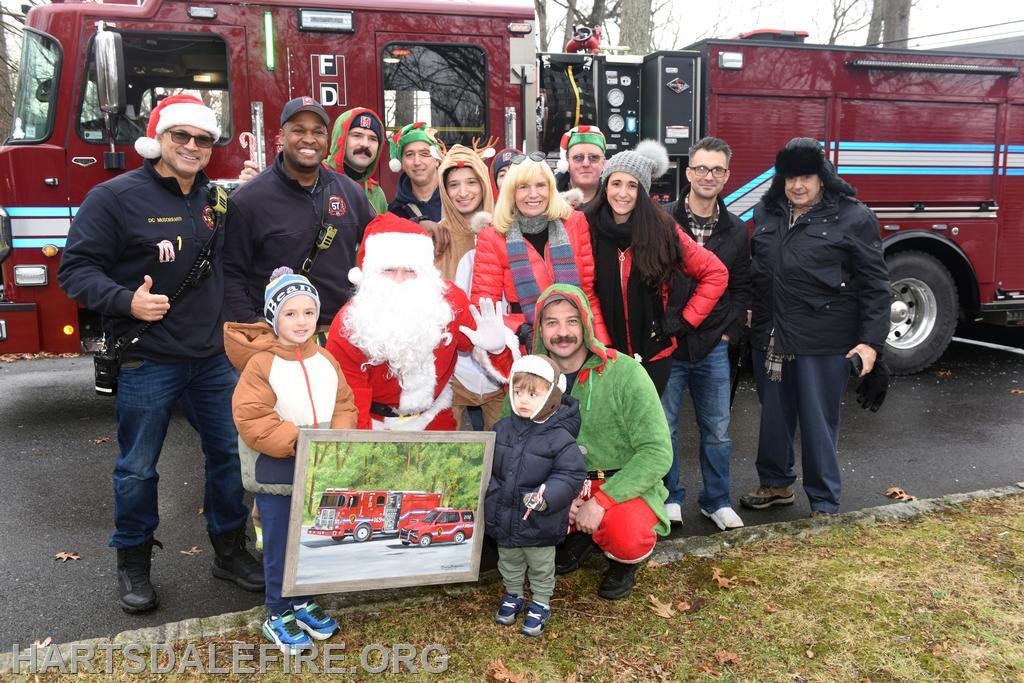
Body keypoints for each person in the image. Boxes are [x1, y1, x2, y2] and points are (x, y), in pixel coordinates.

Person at [57, 94, 263, 613]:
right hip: (148, 359)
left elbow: (230, 271)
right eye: (181, 136)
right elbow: (74, 271)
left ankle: (228, 550)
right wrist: (127, 300)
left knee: (227, 459)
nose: (192, 146)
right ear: (158, 140)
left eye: (202, 139)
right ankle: (133, 563)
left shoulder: (217, 201)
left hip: (212, 359)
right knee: (137, 469)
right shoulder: (113, 198)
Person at [740, 137, 889, 517]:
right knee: (773, 416)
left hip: (823, 341)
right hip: (771, 336)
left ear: (822, 176)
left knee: (818, 422)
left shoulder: (853, 217)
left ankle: (824, 500)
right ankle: (776, 484)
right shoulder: (766, 212)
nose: (797, 185)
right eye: (789, 177)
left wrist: (871, 343)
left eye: (805, 176)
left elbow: (875, 286)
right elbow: (756, 271)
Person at [225, 268, 358, 654]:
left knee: (309, 538)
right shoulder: (262, 365)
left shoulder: (327, 360)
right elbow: (252, 417)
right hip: (277, 470)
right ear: (273, 318)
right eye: (290, 313)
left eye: (308, 312)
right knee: (280, 542)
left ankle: (302, 600)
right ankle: (277, 610)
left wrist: (335, 438)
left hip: (319, 469)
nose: (301, 321)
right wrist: (302, 443)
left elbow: (344, 403)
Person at [527, 284, 672, 601]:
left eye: (572, 321)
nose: (562, 332)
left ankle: (620, 561)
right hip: (560, 483)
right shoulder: (529, 377)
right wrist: (552, 496)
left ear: (586, 324)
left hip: (618, 483)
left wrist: (601, 502)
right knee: (513, 512)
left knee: (628, 533)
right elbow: (513, 449)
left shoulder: (625, 372)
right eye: (552, 322)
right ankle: (578, 535)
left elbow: (657, 451)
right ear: (539, 329)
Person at [326, 214, 518, 431]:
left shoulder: (450, 304)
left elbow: (500, 367)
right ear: (370, 274)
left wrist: (498, 350)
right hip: (374, 424)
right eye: (388, 270)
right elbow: (350, 401)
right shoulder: (350, 324)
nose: (399, 280)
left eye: (410, 270)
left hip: (435, 421)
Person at [585, 140, 728, 395]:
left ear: (643, 190)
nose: (623, 193)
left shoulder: (663, 230)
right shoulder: (587, 228)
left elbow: (715, 273)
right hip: (603, 353)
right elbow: (585, 291)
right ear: (605, 186)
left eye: (632, 185)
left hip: (653, 355)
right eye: (616, 183)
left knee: (647, 429)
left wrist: (684, 321)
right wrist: (602, 343)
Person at [659, 136, 752, 530]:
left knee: (717, 430)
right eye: (701, 168)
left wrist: (729, 334)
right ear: (688, 171)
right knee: (664, 429)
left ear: (727, 176)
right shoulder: (662, 220)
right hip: (668, 345)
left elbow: (743, 287)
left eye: (716, 169)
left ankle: (716, 500)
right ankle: (669, 497)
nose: (708, 176)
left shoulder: (736, 230)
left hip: (713, 346)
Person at [222, 96, 374, 330]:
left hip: (338, 334)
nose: (309, 139)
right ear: (282, 136)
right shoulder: (248, 200)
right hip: (277, 339)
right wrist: (253, 326)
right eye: (298, 130)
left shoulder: (350, 192)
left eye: (318, 132)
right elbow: (229, 274)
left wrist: (420, 225)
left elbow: (381, 240)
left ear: (327, 139)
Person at [487, 354, 586, 637]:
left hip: (538, 519)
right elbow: (487, 466)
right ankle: (514, 593)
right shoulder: (501, 428)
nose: (523, 399)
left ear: (552, 396)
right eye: (517, 392)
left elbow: (570, 475)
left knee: (541, 565)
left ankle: (541, 602)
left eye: (533, 393)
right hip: (505, 516)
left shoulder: (560, 437)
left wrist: (548, 496)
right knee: (509, 560)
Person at [471, 153, 610, 350]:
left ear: (551, 189)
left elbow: (587, 294)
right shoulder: (492, 237)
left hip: (577, 338)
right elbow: (483, 311)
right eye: (523, 187)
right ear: (511, 193)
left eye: (540, 185)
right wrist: (520, 330)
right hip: (526, 344)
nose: (533, 194)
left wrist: (601, 345)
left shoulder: (575, 223)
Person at [433, 144, 505, 430]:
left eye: (471, 182)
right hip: (452, 370)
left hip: (500, 368)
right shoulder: (437, 238)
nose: (463, 192)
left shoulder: (505, 230)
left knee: (504, 454)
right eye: (453, 185)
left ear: (484, 183)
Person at [324, 107, 389, 214]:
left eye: (372, 138)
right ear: (340, 138)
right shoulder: (316, 180)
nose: (365, 144)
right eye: (357, 135)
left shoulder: (376, 193)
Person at [386, 122, 443, 222]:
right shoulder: (395, 212)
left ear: (437, 160)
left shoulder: (457, 198)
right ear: (402, 163)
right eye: (409, 154)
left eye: (424, 154)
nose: (417, 162)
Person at [554, 126, 607, 209]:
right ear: (567, 163)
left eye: (593, 157)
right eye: (578, 158)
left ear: (603, 163)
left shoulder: (615, 202)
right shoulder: (548, 198)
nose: (586, 164)